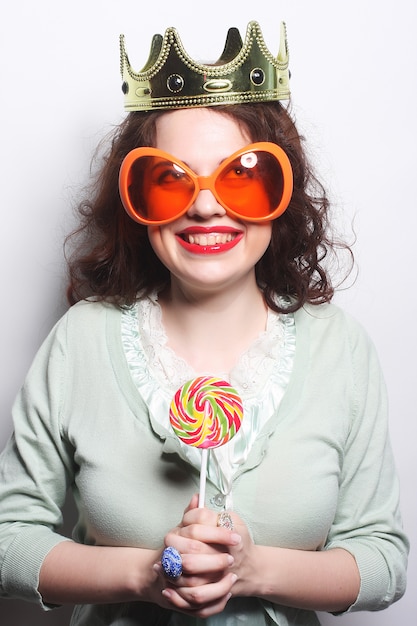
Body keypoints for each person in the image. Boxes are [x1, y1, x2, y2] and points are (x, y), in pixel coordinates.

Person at [0, 20, 408, 626]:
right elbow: (10, 540)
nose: (207, 205)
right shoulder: (81, 341)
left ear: (283, 194)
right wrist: (148, 574)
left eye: (242, 174)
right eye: (170, 179)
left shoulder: (341, 349)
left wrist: (253, 568)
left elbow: (383, 561)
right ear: (134, 199)